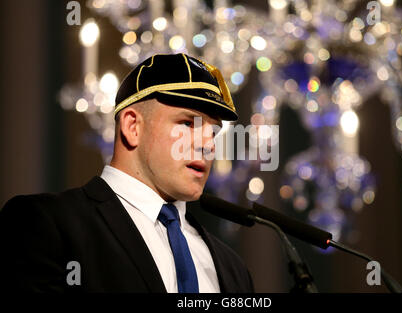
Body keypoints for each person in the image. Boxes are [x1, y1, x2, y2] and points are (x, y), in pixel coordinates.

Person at [0, 53, 254, 293]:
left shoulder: (232, 267)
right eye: (188, 123)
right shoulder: (47, 224)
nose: (208, 145)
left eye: (213, 133)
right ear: (132, 126)